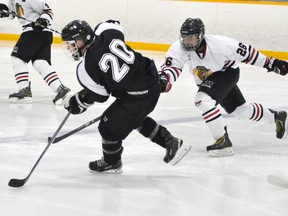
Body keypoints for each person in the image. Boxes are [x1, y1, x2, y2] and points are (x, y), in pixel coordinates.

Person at [60, 20, 191, 173]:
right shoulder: (107, 32)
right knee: (131, 118)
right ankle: (171, 142)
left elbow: (101, 95)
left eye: (72, 44)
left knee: (107, 127)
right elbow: (114, 23)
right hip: (152, 79)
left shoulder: (85, 68)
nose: (70, 49)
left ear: (83, 39)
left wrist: (79, 101)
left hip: (137, 95)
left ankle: (112, 162)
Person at [159, 18, 288, 157]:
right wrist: (165, 79)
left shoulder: (220, 44)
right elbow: (171, 67)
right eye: (185, 38)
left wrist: (270, 63)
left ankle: (223, 141)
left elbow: (247, 53)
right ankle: (276, 117)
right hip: (209, 80)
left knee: (202, 100)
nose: (188, 42)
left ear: (201, 36)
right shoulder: (178, 48)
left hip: (227, 73)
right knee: (241, 111)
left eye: (191, 38)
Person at [0, 0, 70, 105]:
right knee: (39, 62)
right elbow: (14, 12)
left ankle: (24, 89)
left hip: (34, 31)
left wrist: (43, 20)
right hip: (43, 34)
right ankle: (60, 89)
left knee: (17, 58)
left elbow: (48, 11)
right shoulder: (12, 1)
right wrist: (5, 11)